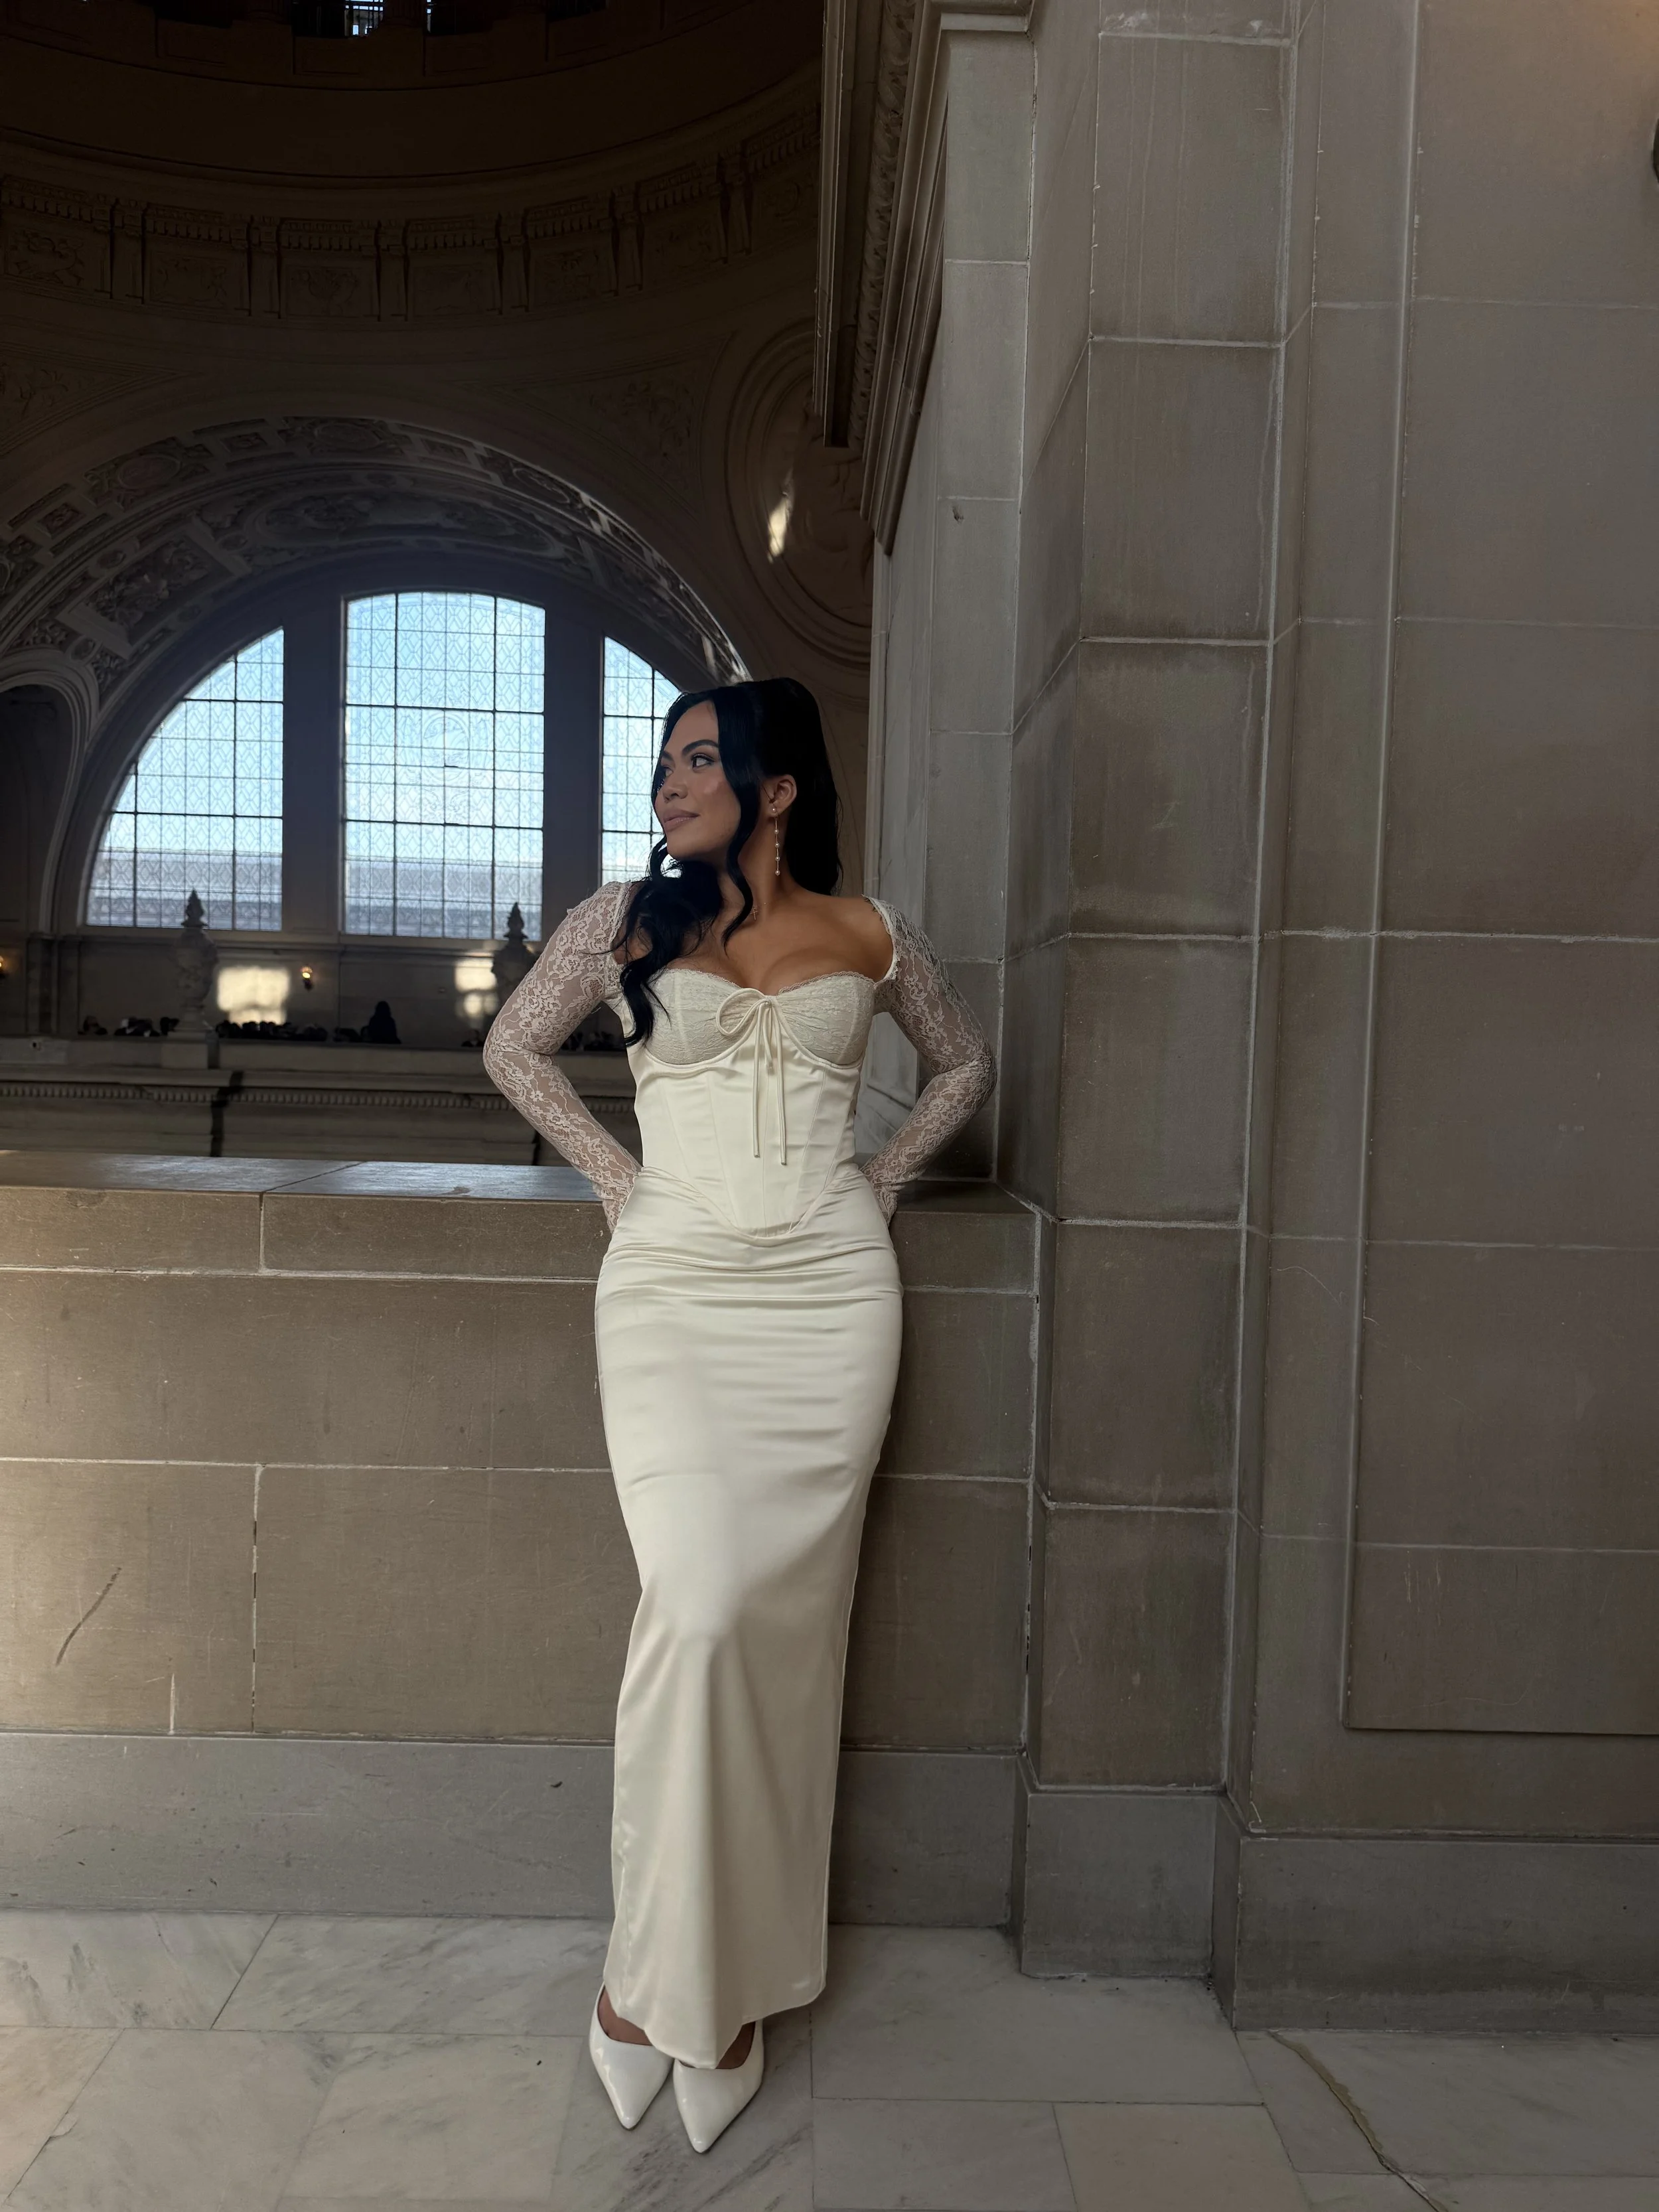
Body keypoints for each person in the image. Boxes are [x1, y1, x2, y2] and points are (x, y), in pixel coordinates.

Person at [483, 676, 995, 2152]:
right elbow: (515, 1046)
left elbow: (963, 1062)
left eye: (700, 759)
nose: (669, 783)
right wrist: (618, 1181)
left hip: (831, 1300)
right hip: (676, 1289)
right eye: (664, 761)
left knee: (783, 1635)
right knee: (698, 1609)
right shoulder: (624, 919)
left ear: (777, 787)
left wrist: (880, 1181)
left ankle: (735, 1984)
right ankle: (642, 1981)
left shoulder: (872, 931)